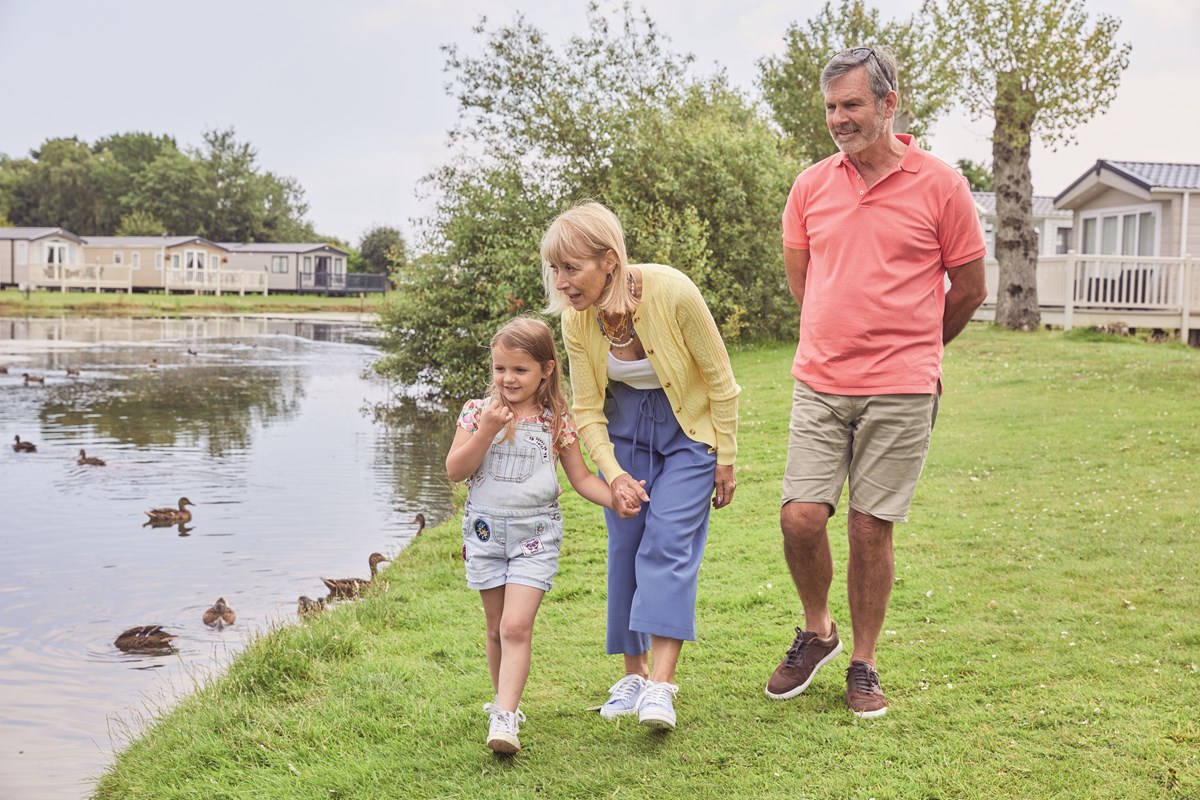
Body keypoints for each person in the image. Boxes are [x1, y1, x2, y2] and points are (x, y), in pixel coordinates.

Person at [765, 46, 988, 718]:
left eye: (852, 105)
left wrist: (916, 349)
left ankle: (862, 661)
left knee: (869, 527)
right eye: (832, 107)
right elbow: (803, 281)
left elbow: (971, 288)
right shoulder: (810, 186)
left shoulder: (942, 184)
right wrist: (834, 335)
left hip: (902, 387)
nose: (839, 119)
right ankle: (819, 630)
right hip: (821, 381)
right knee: (800, 516)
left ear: (890, 104)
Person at [540, 200, 740, 732]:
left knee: (668, 544)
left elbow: (720, 381)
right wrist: (613, 473)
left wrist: (727, 458)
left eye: (570, 268)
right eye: (555, 269)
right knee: (626, 547)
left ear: (609, 260)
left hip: (689, 435)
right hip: (625, 436)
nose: (561, 282)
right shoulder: (576, 320)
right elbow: (585, 407)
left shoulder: (673, 292)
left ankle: (661, 686)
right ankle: (633, 675)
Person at [446, 315, 623, 754]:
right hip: (485, 535)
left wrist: (616, 495)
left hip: (535, 537)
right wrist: (486, 431)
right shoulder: (475, 413)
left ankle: (506, 718)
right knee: (494, 629)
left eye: (519, 369)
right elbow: (455, 471)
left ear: (546, 369)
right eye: (500, 368)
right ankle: (503, 706)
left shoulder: (555, 420)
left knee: (516, 625)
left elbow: (581, 478)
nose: (508, 378)